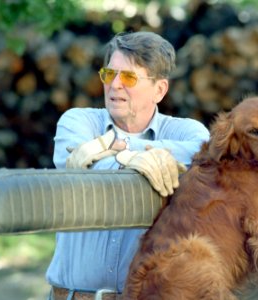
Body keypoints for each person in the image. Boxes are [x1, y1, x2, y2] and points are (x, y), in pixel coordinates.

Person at [46, 31, 210, 299]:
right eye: (109, 74)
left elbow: (204, 156)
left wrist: (119, 150)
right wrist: (139, 163)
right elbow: (87, 175)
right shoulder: (77, 121)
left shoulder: (188, 132)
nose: (115, 85)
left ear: (160, 90)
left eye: (129, 77)